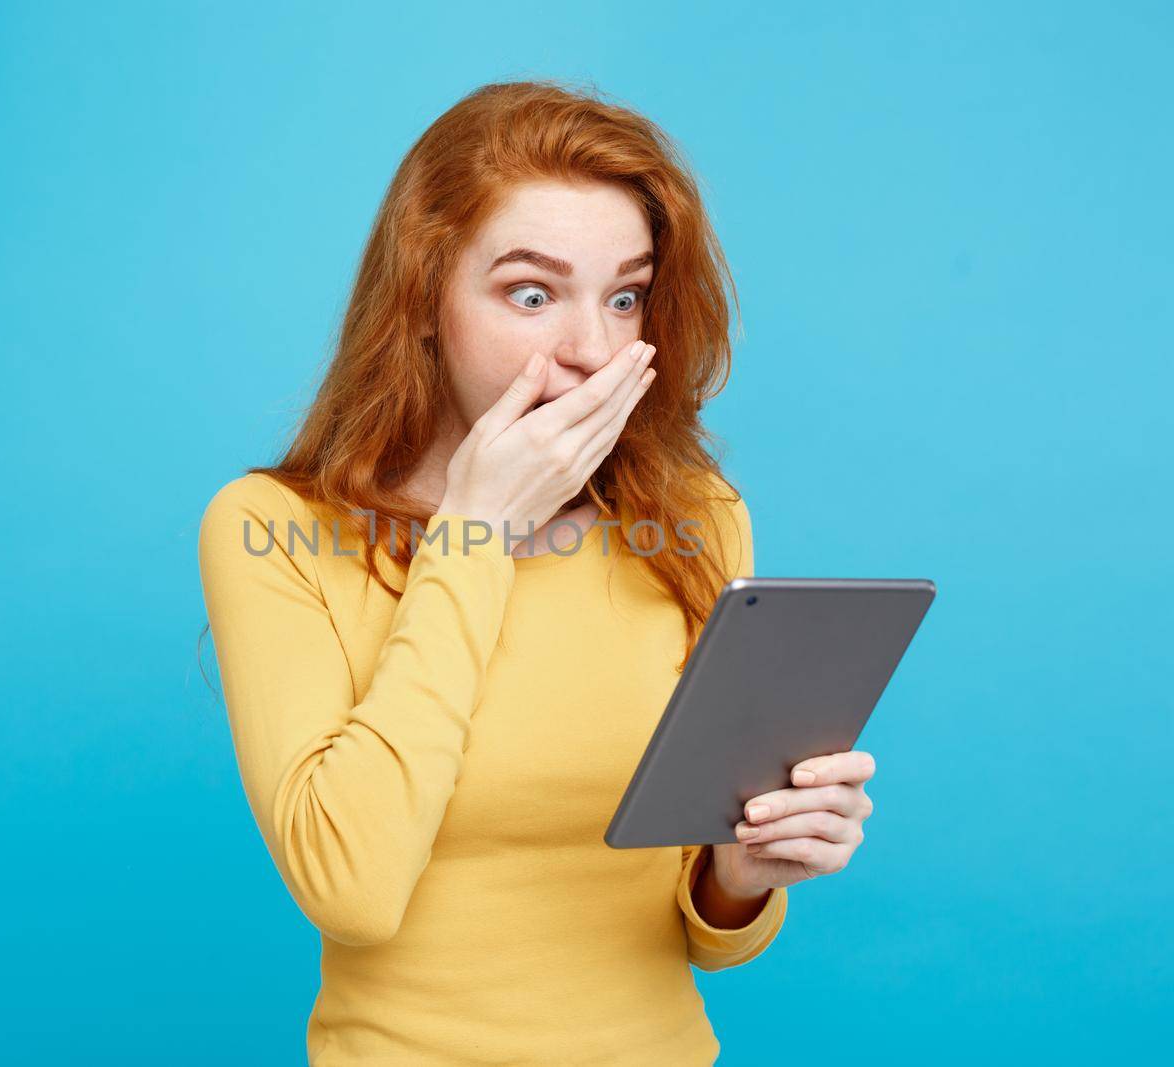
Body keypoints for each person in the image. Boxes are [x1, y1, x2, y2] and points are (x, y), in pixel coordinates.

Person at [197, 79, 877, 1065]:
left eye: (625, 296)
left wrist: (745, 867)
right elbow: (351, 887)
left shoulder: (694, 522)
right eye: (530, 293)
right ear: (423, 298)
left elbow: (706, 933)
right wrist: (475, 532)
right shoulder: (272, 530)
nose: (592, 351)